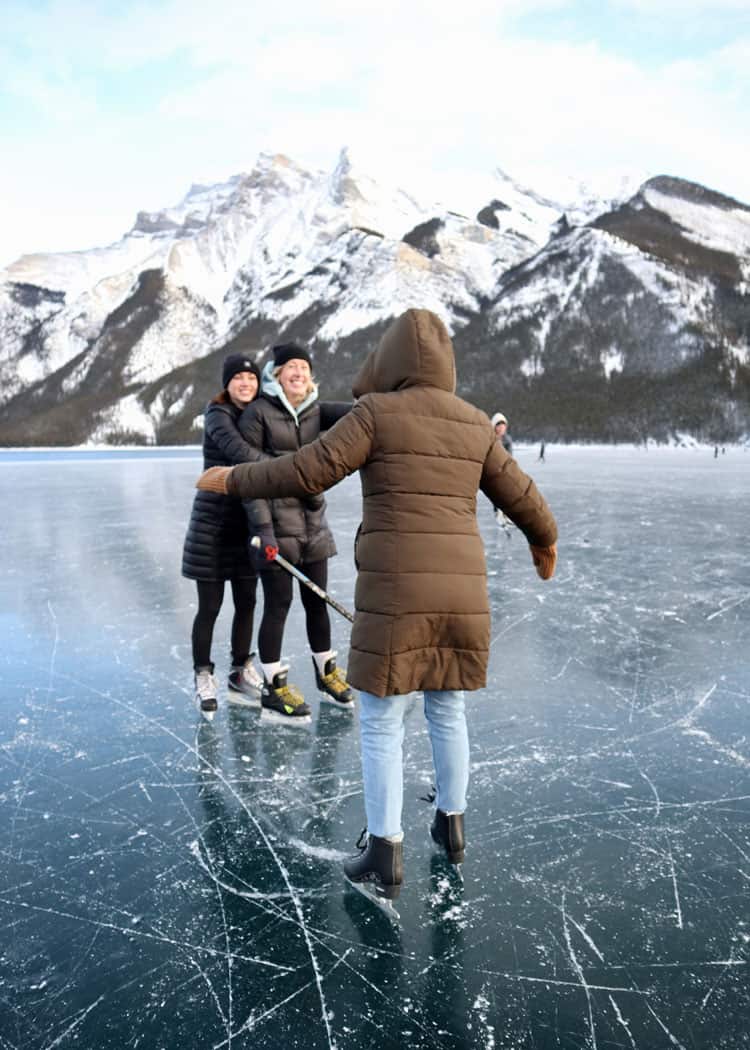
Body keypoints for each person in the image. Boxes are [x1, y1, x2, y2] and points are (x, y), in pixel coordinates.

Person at [196, 309, 557, 906]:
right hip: (461, 593)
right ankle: (452, 825)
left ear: (389, 362)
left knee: (384, 720)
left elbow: (307, 469)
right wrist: (544, 540)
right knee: (448, 709)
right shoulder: (472, 422)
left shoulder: (376, 414)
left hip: (396, 592)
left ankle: (384, 852)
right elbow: (523, 494)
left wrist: (232, 480)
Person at [236, 342, 355, 724]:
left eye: (304, 367)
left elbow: (363, 415)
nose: (299, 373)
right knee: (278, 604)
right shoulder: (258, 413)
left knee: (317, 603)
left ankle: (326, 674)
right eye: (291, 367)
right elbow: (248, 480)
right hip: (275, 530)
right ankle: (273, 686)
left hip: (313, 526)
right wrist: (264, 531)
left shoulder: (317, 411)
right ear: (276, 373)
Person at [182, 354, 265, 718]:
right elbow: (238, 453)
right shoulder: (217, 415)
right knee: (211, 607)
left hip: (246, 522)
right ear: (227, 383)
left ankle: (239, 670)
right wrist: (286, 468)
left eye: (252, 377)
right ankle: (203, 675)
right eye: (239, 378)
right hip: (213, 526)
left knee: (247, 601)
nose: (246, 383)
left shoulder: (257, 413)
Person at [490, 412, 514, 528]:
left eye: (503, 426)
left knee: (508, 493)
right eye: (499, 426)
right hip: (493, 471)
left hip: (505, 471)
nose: (501, 428)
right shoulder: (490, 439)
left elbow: (510, 457)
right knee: (497, 493)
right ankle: (498, 514)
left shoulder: (507, 440)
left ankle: (506, 515)